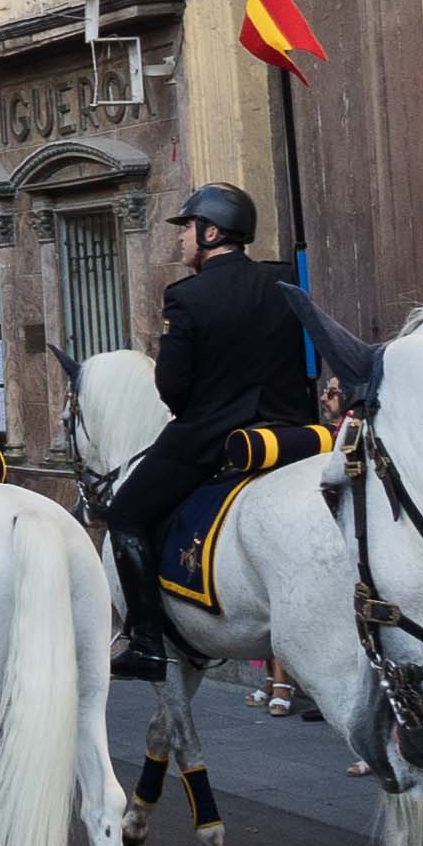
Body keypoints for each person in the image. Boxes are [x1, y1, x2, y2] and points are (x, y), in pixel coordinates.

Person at [99, 180, 323, 680]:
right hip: (292, 431)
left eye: (187, 228)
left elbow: (172, 388)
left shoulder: (186, 297)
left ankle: (148, 643)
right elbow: (312, 358)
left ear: (212, 231)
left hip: (213, 438)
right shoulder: (287, 281)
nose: (180, 238)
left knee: (126, 514)